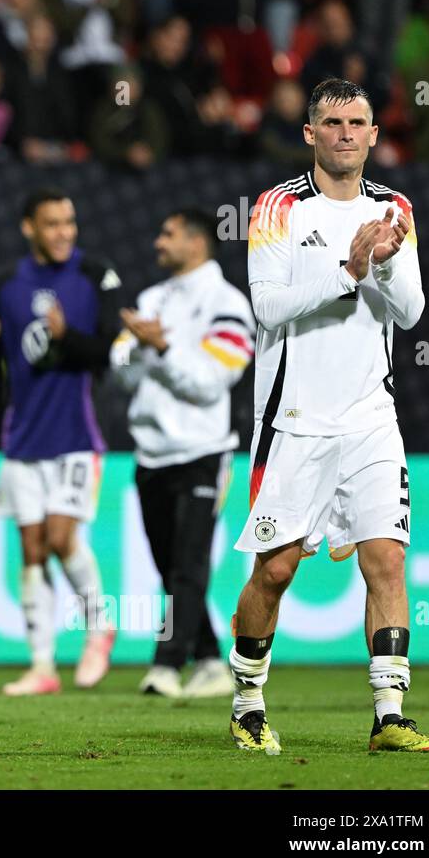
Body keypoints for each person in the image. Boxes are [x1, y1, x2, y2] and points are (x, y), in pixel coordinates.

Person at [229, 77, 429, 753]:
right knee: (277, 571)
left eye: (358, 122)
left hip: (372, 416)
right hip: (294, 419)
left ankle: (389, 713)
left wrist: (384, 263)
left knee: (385, 559)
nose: (346, 133)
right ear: (309, 133)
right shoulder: (276, 209)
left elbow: (411, 313)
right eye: (332, 122)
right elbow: (268, 308)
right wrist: (349, 269)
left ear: (376, 134)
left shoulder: (395, 206)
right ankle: (247, 699)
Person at [0, 187, 120, 696]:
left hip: (76, 434)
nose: (63, 233)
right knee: (31, 549)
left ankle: (99, 627)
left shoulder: (94, 274)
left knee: (60, 538)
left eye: (69, 222)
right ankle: (41, 665)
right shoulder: (7, 282)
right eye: (52, 224)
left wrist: (66, 337)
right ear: (29, 227)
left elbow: (107, 352)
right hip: (22, 438)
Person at [109, 208, 255, 698]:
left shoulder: (229, 303)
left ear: (197, 243)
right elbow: (122, 370)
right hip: (151, 451)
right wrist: (133, 348)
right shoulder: (152, 298)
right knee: (171, 568)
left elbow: (213, 383)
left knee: (189, 564)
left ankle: (166, 665)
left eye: (167, 233)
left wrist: (163, 349)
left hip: (202, 450)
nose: (157, 242)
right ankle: (212, 659)